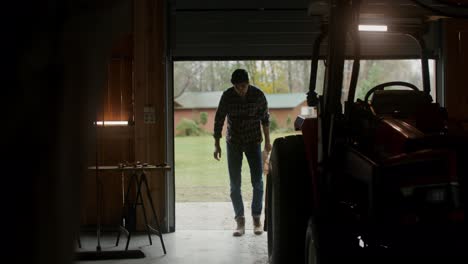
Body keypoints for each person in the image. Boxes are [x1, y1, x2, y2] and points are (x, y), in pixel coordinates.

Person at [213, 69, 271, 236]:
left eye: (243, 86)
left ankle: (256, 218)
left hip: (253, 142)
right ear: (234, 86)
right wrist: (216, 144)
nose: (241, 90)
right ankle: (240, 221)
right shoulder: (227, 96)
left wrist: (267, 142)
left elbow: (265, 119)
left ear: (248, 83)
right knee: (234, 184)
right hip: (234, 143)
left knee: (257, 182)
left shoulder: (258, 95)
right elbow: (219, 119)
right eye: (238, 87)